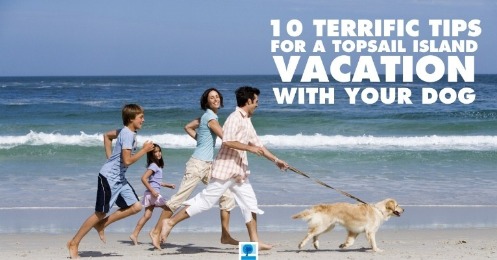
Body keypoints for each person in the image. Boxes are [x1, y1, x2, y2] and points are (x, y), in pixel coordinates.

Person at [160, 86, 289, 250]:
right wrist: (249, 148)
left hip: (239, 172)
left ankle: (255, 241)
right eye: (256, 101)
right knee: (206, 201)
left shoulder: (246, 120)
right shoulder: (234, 118)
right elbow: (227, 141)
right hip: (226, 171)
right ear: (248, 101)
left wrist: (276, 160)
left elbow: (258, 145)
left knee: (250, 203)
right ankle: (170, 222)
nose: (257, 104)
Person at [149, 88, 239, 249]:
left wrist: (201, 140)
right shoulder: (210, 117)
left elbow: (187, 127)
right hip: (198, 165)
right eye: (212, 98)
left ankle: (225, 235)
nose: (215, 99)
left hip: (208, 165)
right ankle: (156, 231)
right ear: (206, 102)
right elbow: (226, 138)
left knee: (227, 195)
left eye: (217, 97)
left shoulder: (206, 117)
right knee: (178, 199)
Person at [67, 104, 155, 259]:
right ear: (131, 118)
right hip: (108, 178)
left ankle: (102, 224)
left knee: (136, 206)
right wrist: (144, 150)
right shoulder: (127, 134)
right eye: (141, 117)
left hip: (120, 179)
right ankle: (74, 242)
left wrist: (110, 158)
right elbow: (127, 161)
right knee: (100, 212)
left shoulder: (125, 132)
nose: (143, 120)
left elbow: (107, 136)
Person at [129, 143, 176, 245]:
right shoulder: (154, 165)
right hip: (153, 195)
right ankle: (159, 233)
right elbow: (143, 178)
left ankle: (134, 234)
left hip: (149, 194)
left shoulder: (157, 165)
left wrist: (168, 185)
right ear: (151, 154)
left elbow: (155, 181)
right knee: (169, 208)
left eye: (159, 151)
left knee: (147, 215)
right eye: (155, 152)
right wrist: (153, 190)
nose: (158, 153)